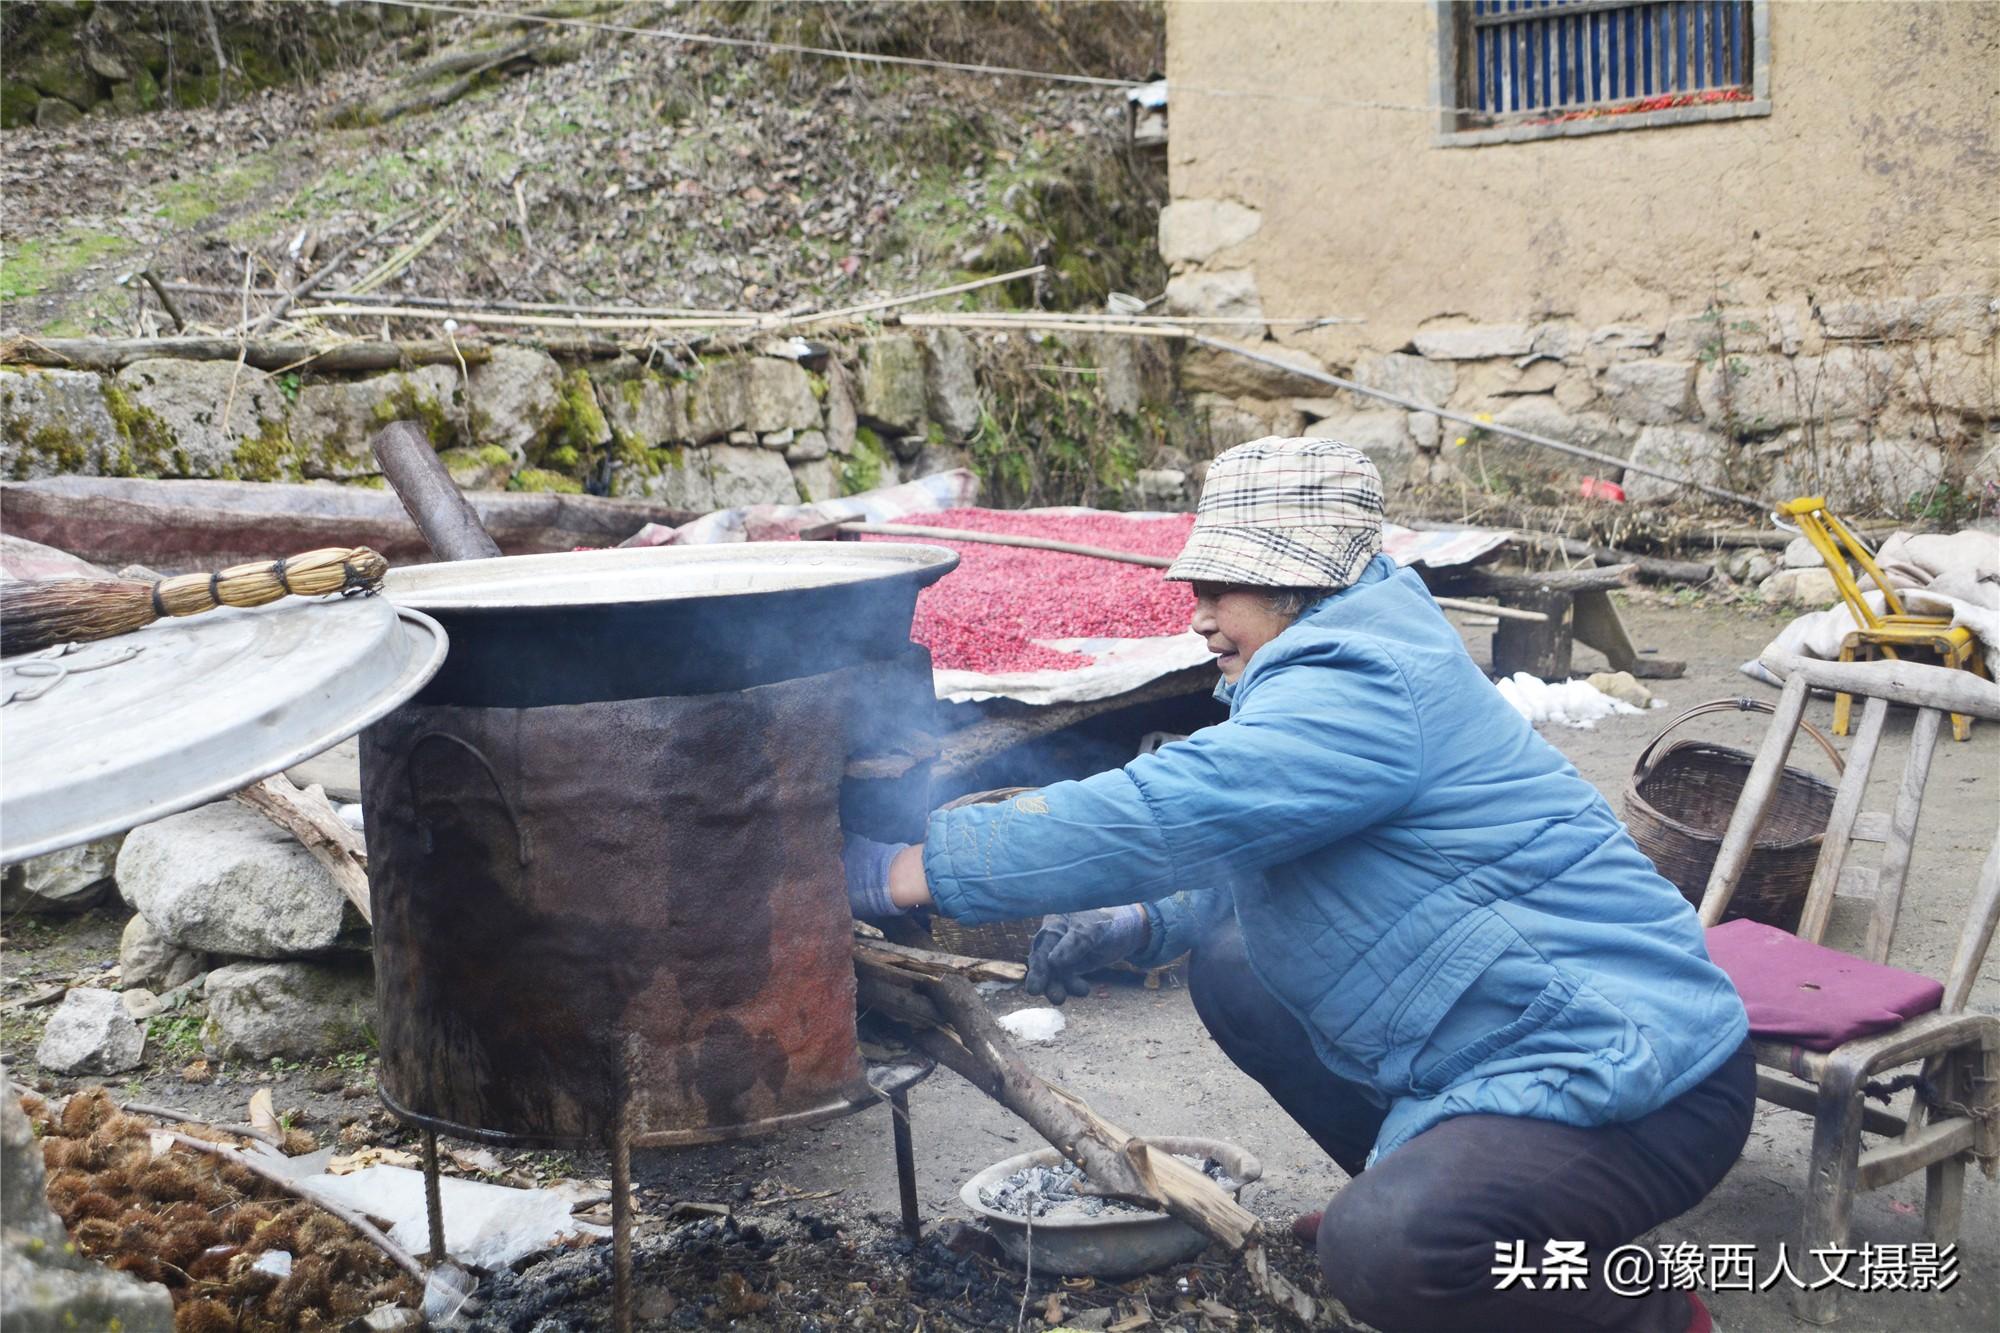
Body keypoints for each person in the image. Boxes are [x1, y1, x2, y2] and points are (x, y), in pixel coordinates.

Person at [844, 438, 1752, 1333]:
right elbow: (1286, 851)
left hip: (1640, 1071)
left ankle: (1618, 1305)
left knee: (1384, 1255)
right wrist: (1144, 921)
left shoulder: (1365, 683)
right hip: (1517, 1038)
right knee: (1234, 965)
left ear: (1302, 583)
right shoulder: (1350, 656)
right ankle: (1447, 1208)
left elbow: (1171, 810)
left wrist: (905, 869)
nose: (1198, 617)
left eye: (1221, 591)